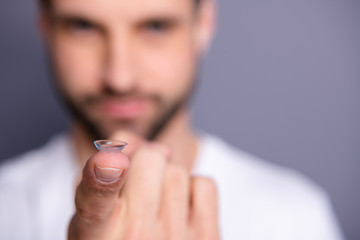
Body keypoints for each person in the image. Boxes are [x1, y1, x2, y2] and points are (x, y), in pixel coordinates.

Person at [0, 0, 345, 239]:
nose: (120, 77)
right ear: (44, 25)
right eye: (83, 26)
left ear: (204, 24)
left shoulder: (294, 218)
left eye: (156, 26)